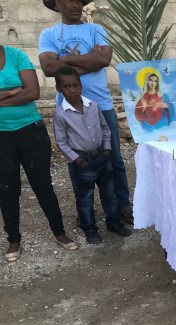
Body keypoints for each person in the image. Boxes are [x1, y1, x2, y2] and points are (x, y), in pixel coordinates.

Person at [39, 0, 133, 225]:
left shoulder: (95, 29)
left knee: (114, 159)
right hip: (69, 110)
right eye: (69, 0)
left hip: (101, 105)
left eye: (78, 1)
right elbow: (49, 68)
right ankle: (85, 213)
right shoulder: (49, 34)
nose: (75, 4)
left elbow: (104, 59)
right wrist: (90, 61)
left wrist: (64, 59)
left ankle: (122, 206)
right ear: (57, 4)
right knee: (76, 161)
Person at [0, 45, 78, 262]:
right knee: (7, 188)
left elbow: (33, 92)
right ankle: (14, 239)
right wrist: (14, 91)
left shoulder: (16, 55)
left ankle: (59, 232)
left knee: (43, 185)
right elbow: (24, 91)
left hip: (30, 130)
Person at [53, 66, 132, 244]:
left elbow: (105, 128)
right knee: (85, 198)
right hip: (82, 162)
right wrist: (77, 160)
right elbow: (61, 142)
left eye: (75, 85)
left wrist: (107, 150)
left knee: (110, 193)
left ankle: (114, 222)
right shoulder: (60, 114)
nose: (72, 90)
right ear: (59, 89)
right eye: (66, 87)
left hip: (102, 157)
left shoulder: (93, 106)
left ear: (81, 86)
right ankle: (90, 229)